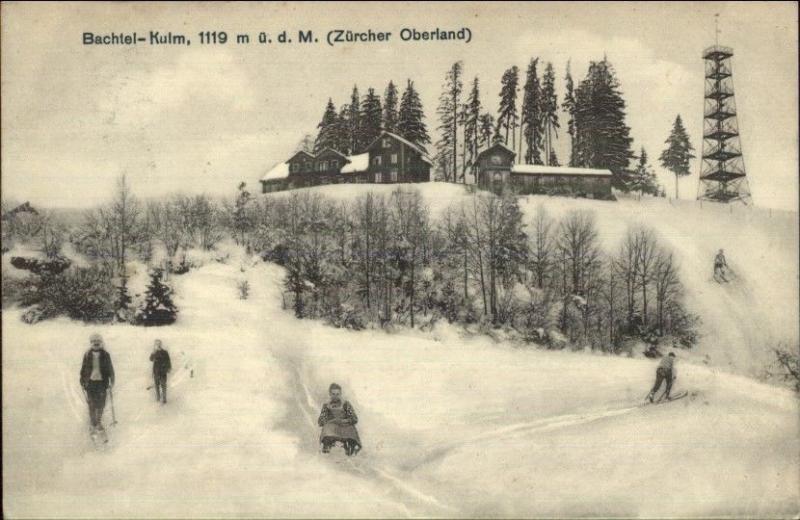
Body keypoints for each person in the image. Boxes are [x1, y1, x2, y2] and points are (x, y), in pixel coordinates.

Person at [79, 333, 115, 433]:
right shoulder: (87, 355)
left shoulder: (106, 355)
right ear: (91, 343)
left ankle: (98, 422)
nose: (96, 343)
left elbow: (110, 369)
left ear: (101, 343)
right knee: (91, 404)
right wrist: (82, 380)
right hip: (90, 383)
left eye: (98, 341)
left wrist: (112, 380)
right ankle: (93, 423)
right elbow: (83, 369)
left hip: (102, 384)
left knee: (101, 404)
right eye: (93, 341)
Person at [318, 383, 361, 456]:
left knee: (351, 436)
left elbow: (354, 418)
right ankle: (327, 452)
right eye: (333, 394)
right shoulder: (326, 406)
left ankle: (351, 453)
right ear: (330, 394)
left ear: (340, 394)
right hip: (332, 428)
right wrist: (331, 420)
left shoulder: (346, 404)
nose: (335, 396)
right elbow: (320, 421)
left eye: (337, 394)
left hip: (345, 427)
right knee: (327, 431)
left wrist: (344, 421)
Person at [149, 339, 172, 404]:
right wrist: (153, 352)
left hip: (163, 371)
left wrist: (169, 368)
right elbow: (150, 359)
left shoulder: (165, 352)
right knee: (156, 385)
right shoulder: (154, 352)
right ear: (155, 345)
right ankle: (158, 397)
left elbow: (168, 361)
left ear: (161, 344)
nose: (158, 345)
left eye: (159, 343)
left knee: (163, 385)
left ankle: (164, 398)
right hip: (156, 371)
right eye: (156, 344)